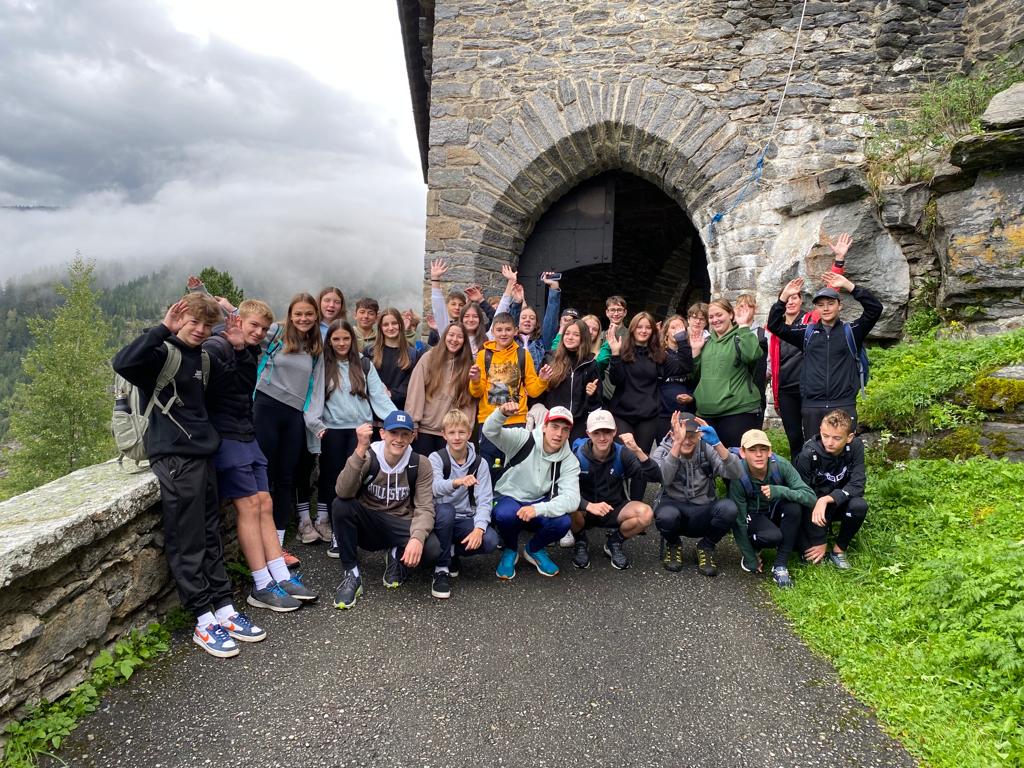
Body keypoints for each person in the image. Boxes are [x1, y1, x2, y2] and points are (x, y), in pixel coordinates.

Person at [113, 294, 261, 658]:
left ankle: (223, 607)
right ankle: (202, 618)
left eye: (207, 325)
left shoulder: (204, 358)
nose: (200, 330)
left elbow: (237, 388)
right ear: (179, 319)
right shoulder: (161, 354)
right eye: (193, 322)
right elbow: (123, 362)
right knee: (188, 538)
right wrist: (164, 328)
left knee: (210, 534)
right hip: (174, 457)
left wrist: (241, 350)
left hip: (203, 454)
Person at [204, 302, 317, 613]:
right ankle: (261, 584)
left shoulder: (248, 351)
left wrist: (243, 350)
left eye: (264, 329)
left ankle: (279, 574)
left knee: (265, 502)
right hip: (227, 437)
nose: (258, 332)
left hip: (246, 434)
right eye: (253, 325)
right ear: (238, 321)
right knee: (250, 505)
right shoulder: (219, 346)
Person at [331, 411, 441, 609]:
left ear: (412, 437)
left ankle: (395, 554)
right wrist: (359, 450)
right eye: (393, 433)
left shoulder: (420, 463)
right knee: (341, 505)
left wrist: (416, 538)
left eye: (405, 434)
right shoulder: (368, 456)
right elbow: (343, 491)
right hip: (369, 522)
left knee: (432, 549)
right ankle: (351, 574)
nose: (399, 439)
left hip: (399, 522)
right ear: (382, 434)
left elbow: (425, 506)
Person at [768, 268, 882, 440]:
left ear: (840, 306)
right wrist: (783, 298)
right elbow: (775, 325)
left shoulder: (851, 331)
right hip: (813, 407)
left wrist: (849, 286)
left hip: (844, 404)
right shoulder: (806, 333)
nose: (826, 309)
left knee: (845, 454)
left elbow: (875, 309)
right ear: (815, 309)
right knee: (814, 455)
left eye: (830, 303)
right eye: (820, 305)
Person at [313, 319, 397, 552]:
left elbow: (379, 397)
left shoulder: (364, 364)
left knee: (359, 480)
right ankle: (338, 533)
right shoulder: (322, 364)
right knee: (333, 480)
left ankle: (356, 528)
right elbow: (315, 397)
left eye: (345, 338)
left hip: (360, 430)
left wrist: (399, 421)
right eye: (336, 338)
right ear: (329, 340)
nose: (341, 343)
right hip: (332, 430)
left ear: (352, 339)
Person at [253, 293, 325, 562]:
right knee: (263, 477)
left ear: (315, 316)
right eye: (298, 314)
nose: (303, 319)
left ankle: (278, 546)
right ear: (290, 315)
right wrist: (203, 294)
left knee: (286, 480)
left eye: (308, 314)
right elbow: (243, 324)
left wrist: (314, 422)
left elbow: (315, 388)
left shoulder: (316, 346)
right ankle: (259, 545)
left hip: (294, 416)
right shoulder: (275, 333)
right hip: (265, 408)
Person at [485, 402, 581, 579]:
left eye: (565, 429)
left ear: (569, 433)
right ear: (544, 426)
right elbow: (489, 432)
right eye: (554, 426)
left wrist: (538, 509)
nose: (559, 434)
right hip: (510, 496)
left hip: (538, 503)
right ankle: (511, 549)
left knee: (563, 522)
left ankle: (534, 549)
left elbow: (572, 499)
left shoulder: (570, 460)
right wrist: (500, 413)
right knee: (504, 514)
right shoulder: (524, 439)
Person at [650, 412, 743, 576]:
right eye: (682, 435)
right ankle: (673, 545)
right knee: (665, 515)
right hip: (674, 507)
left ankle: (706, 547)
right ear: (673, 434)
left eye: (692, 435)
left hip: (703, 508)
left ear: (699, 435)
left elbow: (736, 473)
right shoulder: (662, 450)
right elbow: (663, 478)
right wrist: (676, 447)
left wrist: (718, 444)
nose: (687, 440)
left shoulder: (707, 448)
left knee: (729, 508)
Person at [569, 410, 661, 570]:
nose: (602, 437)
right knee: (566, 507)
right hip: (585, 509)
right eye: (596, 432)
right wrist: (587, 505)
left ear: (615, 432)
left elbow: (654, 476)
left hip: (614, 508)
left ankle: (614, 542)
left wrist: (637, 450)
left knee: (645, 513)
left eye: (607, 432)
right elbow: (564, 491)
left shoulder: (622, 453)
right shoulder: (577, 455)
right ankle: (580, 540)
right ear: (588, 433)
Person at [730, 429, 817, 589]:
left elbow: (811, 498)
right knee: (772, 537)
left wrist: (780, 490)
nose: (759, 455)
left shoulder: (781, 465)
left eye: (763, 449)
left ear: (770, 451)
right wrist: (749, 557)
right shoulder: (738, 474)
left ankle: (780, 566)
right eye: (752, 450)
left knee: (794, 508)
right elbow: (739, 521)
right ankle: (756, 547)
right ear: (742, 453)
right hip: (754, 516)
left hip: (777, 511)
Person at [469, 312, 550, 480]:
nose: (503, 333)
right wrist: (475, 380)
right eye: (499, 330)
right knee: (488, 467)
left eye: (507, 329)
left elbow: (533, 390)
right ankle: (486, 501)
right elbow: (476, 392)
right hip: (489, 420)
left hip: (516, 420)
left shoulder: (523, 355)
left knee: (514, 467)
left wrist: (542, 380)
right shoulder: (484, 355)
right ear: (493, 331)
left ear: (515, 331)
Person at [428, 409, 498, 597]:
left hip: (464, 517)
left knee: (490, 540)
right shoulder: (436, 458)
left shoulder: (479, 463)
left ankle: (452, 551)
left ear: (469, 433)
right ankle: (441, 569)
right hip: (439, 518)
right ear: (444, 435)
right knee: (447, 511)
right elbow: (433, 487)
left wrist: (479, 528)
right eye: (451, 432)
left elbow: (485, 500)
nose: (457, 437)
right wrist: (456, 482)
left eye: (461, 432)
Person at [606, 311, 691, 455]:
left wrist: (682, 340)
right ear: (633, 329)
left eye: (648, 327)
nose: (643, 331)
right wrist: (615, 354)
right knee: (625, 455)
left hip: (648, 415)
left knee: (642, 458)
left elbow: (685, 366)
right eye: (639, 327)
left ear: (653, 331)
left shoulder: (659, 355)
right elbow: (616, 380)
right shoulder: (622, 350)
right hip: (622, 414)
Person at [793, 409, 867, 569]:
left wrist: (827, 499)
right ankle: (816, 539)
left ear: (849, 438)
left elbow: (858, 484)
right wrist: (820, 539)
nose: (829, 442)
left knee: (859, 506)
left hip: (837, 501)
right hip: (811, 505)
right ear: (820, 430)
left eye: (836, 438)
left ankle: (839, 550)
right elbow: (802, 496)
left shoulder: (855, 447)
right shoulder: (807, 455)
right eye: (825, 436)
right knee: (812, 558)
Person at [689, 298, 763, 450]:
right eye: (711, 317)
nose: (715, 320)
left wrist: (743, 326)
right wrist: (695, 352)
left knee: (734, 464)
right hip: (706, 413)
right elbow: (694, 377)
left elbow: (752, 355)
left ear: (730, 314)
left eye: (719, 315)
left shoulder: (741, 336)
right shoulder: (706, 342)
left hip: (737, 411)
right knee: (706, 466)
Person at [406, 322, 476, 456]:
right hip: (425, 430)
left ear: (464, 341)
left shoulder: (468, 365)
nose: (454, 340)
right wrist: (413, 421)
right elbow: (416, 390)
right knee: (424, 471)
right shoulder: (429, 358)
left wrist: (466, 427)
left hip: (451, 433)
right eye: (451, 335)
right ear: (444, 336)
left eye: (460, 337)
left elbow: (469, 401)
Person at [541, 319, 602, 442]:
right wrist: (541, 381)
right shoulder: (550, 358)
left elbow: (596, 403)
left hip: (578, 422)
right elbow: (538, 393)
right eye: (567, 333)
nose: (570, 337)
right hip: (553, 419)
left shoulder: (591, 364)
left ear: (583, 338)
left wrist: (592, 394)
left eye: (576, 334)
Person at [767, 288, 808, 459]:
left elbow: (831, 293)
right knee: (794, 437)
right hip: (785, 389)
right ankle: (797, 475)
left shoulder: (810, 320)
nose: (790, 302)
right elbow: (769, 359)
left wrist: (839, 262)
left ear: (801, 300)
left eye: (794, 298)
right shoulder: (775, 327)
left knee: (814, 434)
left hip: (808, 388)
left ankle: (815, 474)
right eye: (787, 299)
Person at [364, 307, 418, 412]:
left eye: (394, 323)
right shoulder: (370, 352)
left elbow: (411, 384)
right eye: (385, 325)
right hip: (373, 410)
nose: (390, 327)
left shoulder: (412, 354)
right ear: (380, 328)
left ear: (400, 325)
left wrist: (392, 394)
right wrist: (379, 392)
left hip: (399, 410)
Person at [658, 314, 695, 440]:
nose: (677, 331)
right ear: (666, 332)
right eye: (673, 327)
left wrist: (691, 397)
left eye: (680, 328)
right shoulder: (660, 352)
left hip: (686, 411)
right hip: (664, 411)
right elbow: (681, 367)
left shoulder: (691, 351)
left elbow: (692, 376)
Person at [734, 294, 769, 423]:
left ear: (755, 309)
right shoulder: (731, 332)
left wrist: (759, 377)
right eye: (741, 306)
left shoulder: (763, 333)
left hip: (756, 387)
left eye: (749, 306)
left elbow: (769, 361)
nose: (745, 309)